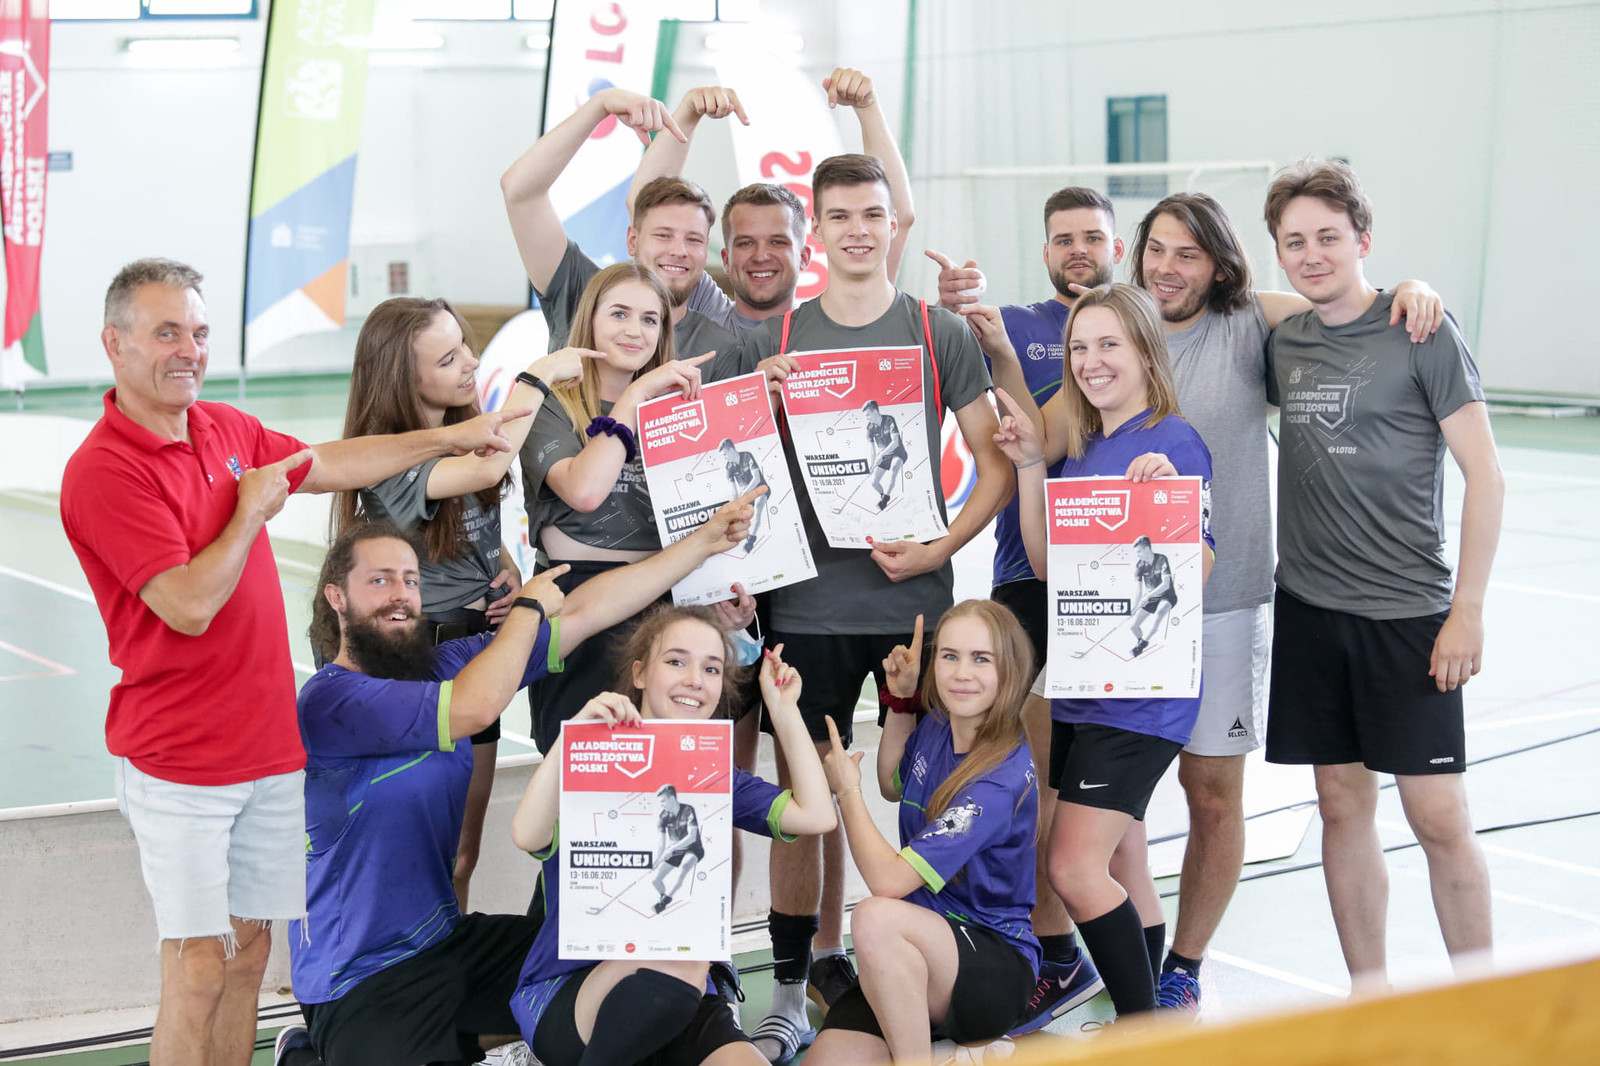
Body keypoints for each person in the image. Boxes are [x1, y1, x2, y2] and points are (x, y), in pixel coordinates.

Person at [955, 187, 1444, 1015]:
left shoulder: (1245, 324)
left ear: (1218, 264)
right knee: (1111, 835)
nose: (1169, 266)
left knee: (1206, 800)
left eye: (1189, 253)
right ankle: (1124, 979)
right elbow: (1032, 452)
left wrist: (1408, 292)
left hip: (1215, 612)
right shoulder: (1100, 379)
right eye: (1157, 249)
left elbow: (1342, 301)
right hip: (1101, 653)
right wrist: (1015, 413)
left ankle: (1177, 972)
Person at [58, 258, 525, 1066]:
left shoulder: (225, 430)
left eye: (199, 332)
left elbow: (335, 462)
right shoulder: (104, 471)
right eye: (167, 332)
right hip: (179, 760)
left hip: (267, 748)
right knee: (196, 969)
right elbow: (188, 605)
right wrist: (247, 514)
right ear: (115, 344)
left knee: (247, 957)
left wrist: (448, 436)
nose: (189, 350)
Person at [270, 486, 762, 1066]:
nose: (401, 594)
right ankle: (306, 1053)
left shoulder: (446, 666)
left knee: (621, 951)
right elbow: (477, 707)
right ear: (336, 596)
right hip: (360, 976)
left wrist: (704, 542)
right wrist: (526, 611)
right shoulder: (328, 701)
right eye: (380, 580)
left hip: (446, 942)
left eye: (411, 580)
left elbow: (584, 612)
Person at [711, 152, 1013, 1061]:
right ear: (818, 231)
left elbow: (995, 466)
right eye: (838, 215)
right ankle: (792, 989)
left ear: (892, 224)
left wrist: (939, 550)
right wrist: (757, 411)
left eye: (872, 214)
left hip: (911, 607)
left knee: (930, 788)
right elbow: (730, 474)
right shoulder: (774, 339)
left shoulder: (935, 332)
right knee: (807, 803)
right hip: (805, 611)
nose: (856, 230)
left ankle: (941, 973)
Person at [1262, 158, 1502, 993]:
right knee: (1340, 805)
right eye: (1295, 242)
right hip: (1310, 610)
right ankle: (1371, 1000)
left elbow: (1487, 475)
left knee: (1437, 814)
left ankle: (1485, 1002)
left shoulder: (1422, 333)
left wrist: (1467, 610)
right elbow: (1238, 301)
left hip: (1407, 614)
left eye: (1328, 237)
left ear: (1363, 240)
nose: (1312, 254)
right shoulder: (1286, 341)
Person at [974, 282, 1214, 1018]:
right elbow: (1048, 566)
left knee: (1073, 866)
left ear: (1145, 351)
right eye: (1080, 347)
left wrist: (1165, 505)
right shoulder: (1085, 449)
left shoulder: (1173, 441)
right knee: (1119, 858)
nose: (1091, 361)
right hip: (1084, 687)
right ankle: (1148, 1013)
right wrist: (1030, 466)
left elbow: (1198, 569)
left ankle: (1142, 1028)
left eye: (1109, 344)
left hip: (1141, 697)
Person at [929, 186, 1121, 1030]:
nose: (1078, 249)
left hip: (1115, 584)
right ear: (1045, 251)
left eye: (1092, 237)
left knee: (1104, 794)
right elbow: (1000, 400)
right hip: (1029, 579)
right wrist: (963, 309)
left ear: (1117, 247)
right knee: (1033, 785)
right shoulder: (1015, 324)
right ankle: (1049, 950)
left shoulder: (1141, 325)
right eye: (1063, 238)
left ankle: (1122, 959)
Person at [333, 295, 596, 910]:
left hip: (474, 651)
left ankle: (447, 953)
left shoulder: (465, 429)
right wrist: (537, 377)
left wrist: (502, 571)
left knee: (461, 852)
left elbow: (472, 520)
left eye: (465, 348)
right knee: (413, 850)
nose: (470, 363)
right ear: (404, 379)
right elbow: (482, 475)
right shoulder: (385, 457)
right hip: (415, 666)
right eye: (448, 358)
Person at [508, 616, 837, 1065]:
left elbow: (816, 815)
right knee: (685, 950)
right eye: (677, 661)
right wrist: (574, 736)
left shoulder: (712, 774)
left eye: (711, 668)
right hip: (573, 990)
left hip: (683, 992)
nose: (695, 679)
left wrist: (783, 710)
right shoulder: (592, 755)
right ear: (640, 673)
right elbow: (527, 833)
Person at [807, 603, 1041, 1064]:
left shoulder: (998, 782)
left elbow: (888, 882)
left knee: (875, 916)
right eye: (950, 656)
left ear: (1010, 672)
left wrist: (846, 791)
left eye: (981, 658)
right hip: (915, 951)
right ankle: (948, 1050)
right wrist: (900, 700)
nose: (962, 673)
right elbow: (892, 783)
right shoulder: (938, 723)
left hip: (992, 964)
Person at [518, 263, 726, 753]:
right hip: (575, 596)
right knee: (577, 761)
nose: (635, 330)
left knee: (663, 761)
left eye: (650, 319)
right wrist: (633, 397)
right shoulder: (550, 404)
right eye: (619, 314)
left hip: (662, 599)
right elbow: (585, 492)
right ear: (589, 318)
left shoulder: (679, 409)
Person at [628, 69, 917, 340]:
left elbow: (899, 218)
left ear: (804, 257)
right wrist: (687, 115)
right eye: (745, 243)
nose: (761, 255)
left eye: (778, 242)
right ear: (726, 259)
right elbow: (646, 208)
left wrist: (868, 107)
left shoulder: (831, 327)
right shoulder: (707, 315)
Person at [501, 88, 736, 359]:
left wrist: (688, 114)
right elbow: (521, 192)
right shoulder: (583, 294)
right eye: (663, 235)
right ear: (632, 240)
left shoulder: (718, 333)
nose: (678, 250)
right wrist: (600, 105)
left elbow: (645, 201)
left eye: (693, 239)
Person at [652, 785, 704, 914]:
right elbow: (661, 843)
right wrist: (656, 861)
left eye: (663, 801)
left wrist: (672, 848)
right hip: (676, 851)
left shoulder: (688, 810)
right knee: (655, 881)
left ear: (672, 799)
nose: (661, 805)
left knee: (684, 866)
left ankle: (665, 901)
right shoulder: (663, 816)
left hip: (693, 849)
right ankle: (664, 897)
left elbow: (692, 837)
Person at [1129, 536, 1176, 658]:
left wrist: (1148, 595)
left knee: (1159, 612)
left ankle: (1142, 644)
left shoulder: (1161, 559)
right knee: (1133, 627)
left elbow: (1166, 584)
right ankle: (1141, 642)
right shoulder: (1139, 566)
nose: (1137, 555)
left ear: (1147, 549)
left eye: (1139, 552)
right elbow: (1138, 590)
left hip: (1167, 595)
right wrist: (1134, 608)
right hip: (1151, 598)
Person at [720, 437, 769, 550]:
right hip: (746, 496)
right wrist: (735, 505)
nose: (724, 458)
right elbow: (734, 490)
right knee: (739, 516)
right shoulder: (728, 468)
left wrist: (745, 492)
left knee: (758, 506)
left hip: (760, 489)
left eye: (725, 454)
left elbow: (756, 478)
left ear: (731, 450)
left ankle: (751, 540)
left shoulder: (747, 456)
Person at [861, 400, 905, 512]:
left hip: (897, 452)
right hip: (884, 456)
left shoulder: (889, 420)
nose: (867, 418)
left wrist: (881, 454)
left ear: (875, 411)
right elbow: (872, 450)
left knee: (894, 467)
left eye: (868, 415)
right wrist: (871, 467)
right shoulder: (869, 428)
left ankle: (885, 499)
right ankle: (884, 495)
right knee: (874, 483)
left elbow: (895, 442)